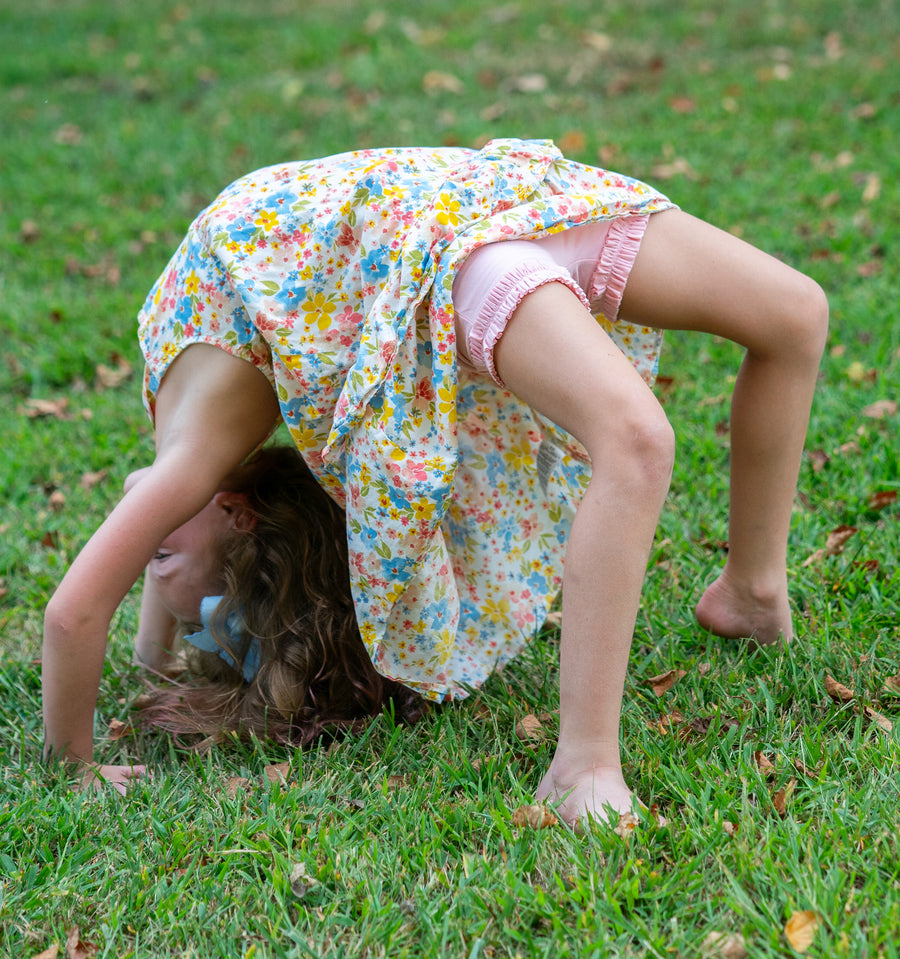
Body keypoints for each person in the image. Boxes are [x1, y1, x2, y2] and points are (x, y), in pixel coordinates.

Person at [41, 138, 828, 822]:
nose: (145, 538)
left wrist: (78, 756)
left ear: (236, 511)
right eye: (158, 553)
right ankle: (584, 764)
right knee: (638, 440)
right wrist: (159, 641)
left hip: (501, 203)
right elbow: (157, 521)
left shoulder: (189, 462)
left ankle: (749, 591)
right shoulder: (198, 456)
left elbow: (75, 613)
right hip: (457, 240)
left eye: (157, 556)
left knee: (797, 313)